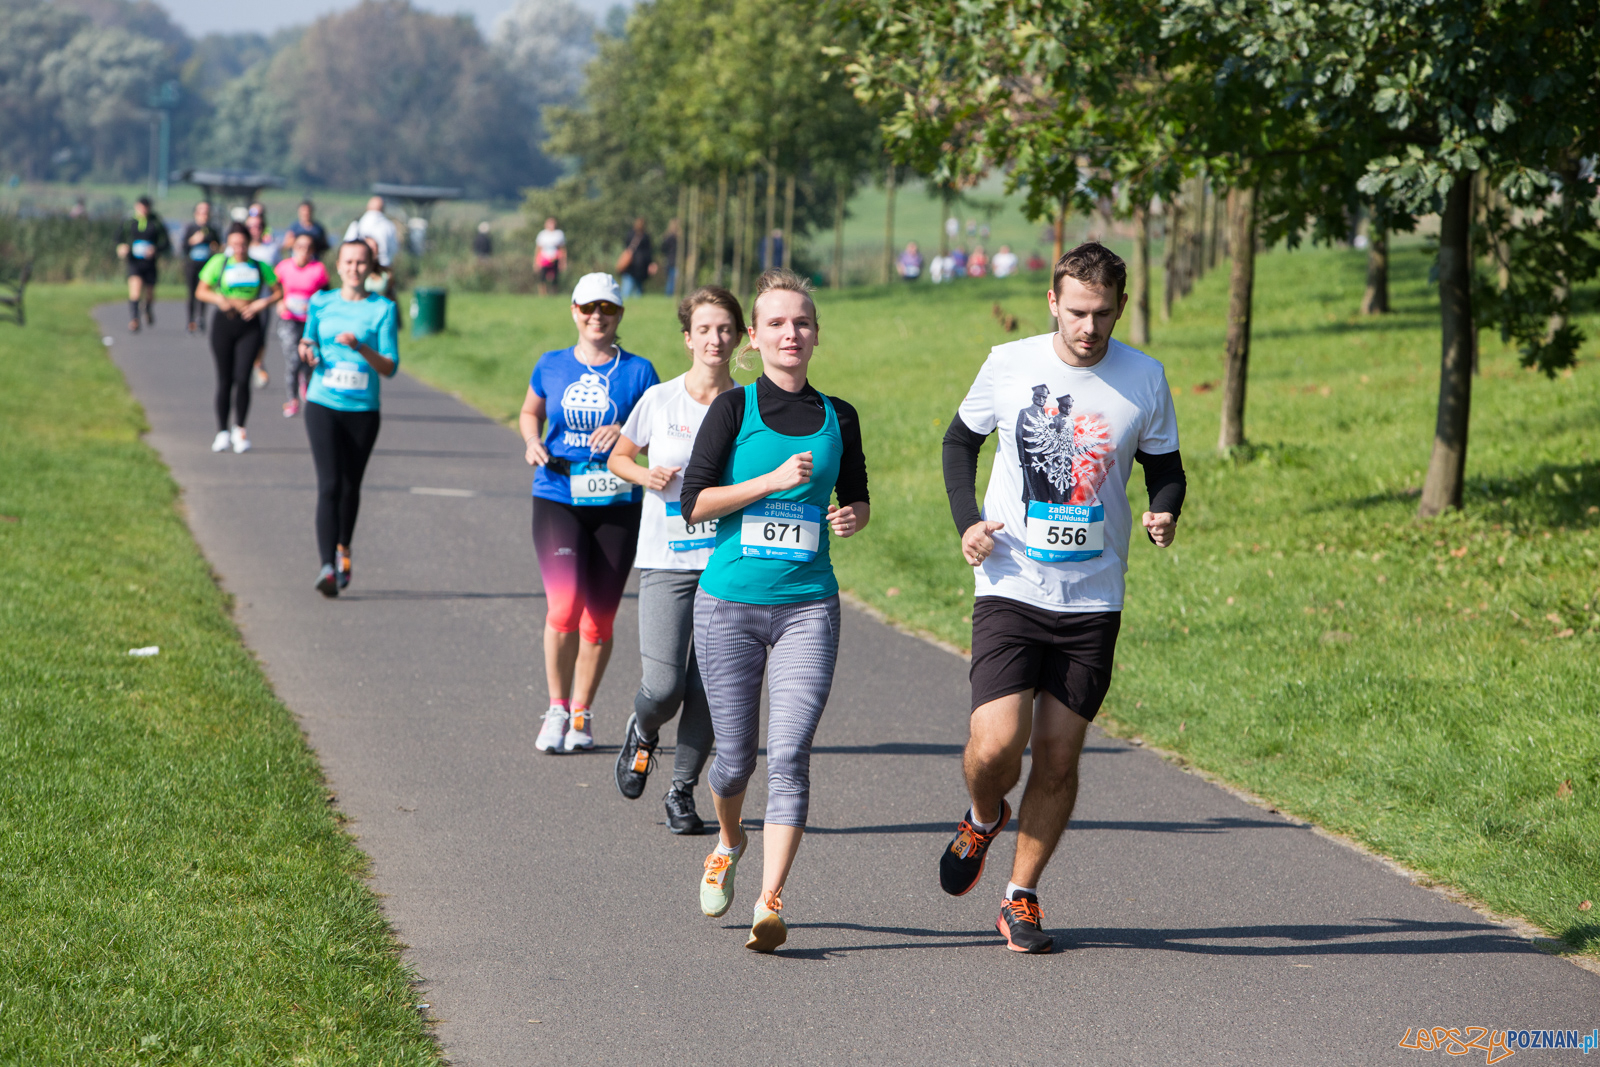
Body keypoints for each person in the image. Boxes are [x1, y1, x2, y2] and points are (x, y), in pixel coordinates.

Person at [938, 242, 1186, 954]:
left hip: (1093, 599)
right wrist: (968, 522)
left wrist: (1165, 509)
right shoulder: (1009, 363)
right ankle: (983, 814)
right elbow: (959, 443)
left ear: (1121, 307)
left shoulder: (1144, 377)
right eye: (1077, 311)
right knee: (996, 743)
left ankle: (1020, 895)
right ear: (1053, 301)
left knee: (1057, 756)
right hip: (1012, 582)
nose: (1089, 327)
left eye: (1102, 313)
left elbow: (1166, 468)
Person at [678, 268, 870, 953]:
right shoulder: (733, 410)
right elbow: (693, 504)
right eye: (778, 323)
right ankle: (729, 841)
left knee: (789, 754)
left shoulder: (840, 416)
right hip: (728, 604)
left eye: (803, 322)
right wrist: (768, 481)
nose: (792, 333)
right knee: (734, 762)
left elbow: (856, 495)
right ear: (753, 339)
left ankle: (769, 900)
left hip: (807, 607)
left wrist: (852, 516)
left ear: (816, 335)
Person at [606, 287, 743, 835]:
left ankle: (681, 792)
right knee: (664, 687)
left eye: (725, 328)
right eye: (704, 329)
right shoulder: (660, 399)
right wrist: (646, 475)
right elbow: (618, 456)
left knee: (710, 689)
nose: (715, 339)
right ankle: (643, 732)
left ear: (740, 337)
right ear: (688, 338)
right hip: (667, 559)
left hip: (729, 562)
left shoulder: (750, 405)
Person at [520, 273, 660, 754]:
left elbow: (660, 435)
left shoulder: (639, 372)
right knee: (564, 607)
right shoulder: (551, 364)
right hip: (557, 493)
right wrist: (531, 440)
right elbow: (530, 412)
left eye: (608, 308)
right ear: (574, 311)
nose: (597, 316)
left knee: (599, 620)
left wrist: (624, 430)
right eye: (588, 308)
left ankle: (581, 711)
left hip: (617, 503)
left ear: (620, 314)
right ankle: (556, 707)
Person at [297, 240, 400, 597]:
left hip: (363, 411)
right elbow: (308, 340)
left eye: (361, 263)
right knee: (329, 485)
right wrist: (307, 350)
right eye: (348, 262)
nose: (354, 268)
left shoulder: (383, 309)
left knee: (350, 486)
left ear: (370, 268)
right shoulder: (320, 302)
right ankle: (326, 567)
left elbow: (390, 367)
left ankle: (344, 547)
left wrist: (360, 347)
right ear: (338, 266)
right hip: (322, 403)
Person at [195, 223, 283, 455]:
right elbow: (201, 290)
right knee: (225, 379)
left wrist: (261, 303)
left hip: (250, 324)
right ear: (228, 244)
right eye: (234, 244)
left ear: (249, 244)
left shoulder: (259, 266)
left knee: (243, 377)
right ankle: (222, 431)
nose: (239, 248)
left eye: (243, 244)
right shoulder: (220, 263)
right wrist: (219, 299)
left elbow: (278, 291)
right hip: (224, 323)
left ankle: (240, 429)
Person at [275, 232, 331, 417]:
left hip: (310, 321)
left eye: (308, 248)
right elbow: (273, 288)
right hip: (289, 319)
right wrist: (279, 301)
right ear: (293, 248)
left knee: (308, 358)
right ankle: (292, 400)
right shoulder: (284, 267)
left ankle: (305, 380)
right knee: (293, 360)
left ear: (313, 251)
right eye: (300, 247)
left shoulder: (318, 269)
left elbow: (327, 294)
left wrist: (315, 306)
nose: (304, 251)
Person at [116, 196, 170, 332]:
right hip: (134, 261)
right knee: (135, 289)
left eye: (146, 207)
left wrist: (155, 249)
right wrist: (122, 247)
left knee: (149, 293)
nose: (143, 210)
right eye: (141, 207)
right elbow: (118, 238)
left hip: (150, 263)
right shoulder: (129, 222)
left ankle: (148, 308)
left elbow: (165, 242)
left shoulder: (156, 222)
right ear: (136, 207)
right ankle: (134, 319)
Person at [181, 201, 221, 333]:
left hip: (207, 266)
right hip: (192, 265)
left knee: (204, 291)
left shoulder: (212, 230)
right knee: (192, 293)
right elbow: (183, 247)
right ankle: (190, 320)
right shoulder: (190, 228)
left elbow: (218, 247)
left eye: (207, 213)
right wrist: (193, 241)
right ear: (196, 213)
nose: (204, 215)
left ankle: (201, 318)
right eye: (202, 212)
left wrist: (214, 247)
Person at [344, 196, 399, 268]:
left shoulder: (357, 223)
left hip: (361, 266)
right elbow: (394, 249)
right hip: (383, 266)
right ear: (383, 208)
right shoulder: (389, 226)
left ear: (368, 207)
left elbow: (347, 244)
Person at [618, 217, 654, 301]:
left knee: (630, 290)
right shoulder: (641, 236)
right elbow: (648, 252)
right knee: (632, 290)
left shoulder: (635, 235)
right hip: (635, 267)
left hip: (635, 267)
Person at [535, 217, 567, 296]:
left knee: (555, 277)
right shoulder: (542, 234)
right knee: (542, 276)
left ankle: (554, 293)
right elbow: (538, 248)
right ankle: (543, 294)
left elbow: (562, 248)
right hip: (544, 258)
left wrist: (563, 261)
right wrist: (536, 261)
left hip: (555, 257)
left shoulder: (559, 234)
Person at [659, 219, 680, 295]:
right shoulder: (674, 238)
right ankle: (669, 294)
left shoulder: (668, 237)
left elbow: (662, 249)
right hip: (673, 261)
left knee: (672, 279)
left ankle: (670, 294)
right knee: (672, 279)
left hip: (671, 260)